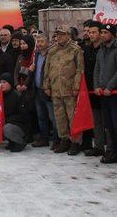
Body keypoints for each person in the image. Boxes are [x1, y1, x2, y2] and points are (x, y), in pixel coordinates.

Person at [94, 23, 117, 171]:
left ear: (113, 35)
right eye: (101, 32)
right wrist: (96, 86)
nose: (102, 35)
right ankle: (113, 152)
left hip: (116, 94)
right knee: (108, 126)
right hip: (103, 94)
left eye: (105, 33)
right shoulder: (101, 51)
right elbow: (97, 69)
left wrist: (110, 87)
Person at [43, 25, 84, 155]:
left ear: (68, 35)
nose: (58, 37)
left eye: (61, 34)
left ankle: (75, 142)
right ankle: (64, 140)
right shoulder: (52, 50)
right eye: (57, 34)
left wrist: (77, 86)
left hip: (70, 89)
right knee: (59, 117)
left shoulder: (75, 50)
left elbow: (80, 70)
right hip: (55, 89)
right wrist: (46, 85)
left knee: (72, 117)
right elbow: (47, 69)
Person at [82, 21, 110, 158]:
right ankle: (99, 146)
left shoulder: (105, 49)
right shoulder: (87, 49)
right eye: (89, 32)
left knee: (108, 122)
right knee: (96, 121)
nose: (91, 35)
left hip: (104, 90)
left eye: (94, 32)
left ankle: (111, 148)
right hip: (90, 90)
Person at [30, 34, 59, 149]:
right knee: (41, 116)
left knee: (53, 117)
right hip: (37, 89)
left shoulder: (51, 54)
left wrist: (49, 87)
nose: (39, 43)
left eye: (42, 41)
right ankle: (44, 138)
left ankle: (57, 139)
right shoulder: (36, 55)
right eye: (38, 41)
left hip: (48, 90)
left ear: (48, 42)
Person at [0, 72, 30, 152]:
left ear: (10, 83)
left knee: (7, 128)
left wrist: (5, 120)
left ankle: (21, 142)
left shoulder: (18, 95)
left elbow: (23, 116)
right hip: (6, 123)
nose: (2, 84)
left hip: (20, 126)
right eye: (0, 82)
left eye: (4, 82)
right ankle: (11, 141)